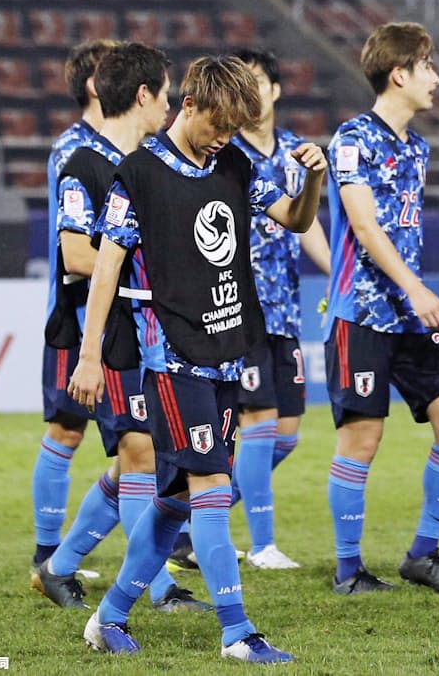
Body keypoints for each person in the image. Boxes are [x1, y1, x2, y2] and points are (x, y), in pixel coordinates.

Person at [68, 55, 327, 663]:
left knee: (177, 499)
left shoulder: (231, 162)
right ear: (188, 105)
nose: (226, 138)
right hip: (172, 354)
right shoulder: (138, 173)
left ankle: (108, 619)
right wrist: (88, 356)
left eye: (236, 128)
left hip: (226, 350)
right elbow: (106, 266)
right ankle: (238, 633)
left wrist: (311, 178)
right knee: (212, 485)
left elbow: (294, 218)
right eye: (219, 124)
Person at [33, 42, 210, 613]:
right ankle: (158, 590)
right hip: (104, 333)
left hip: (144, 332)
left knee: (135, 457)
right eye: (164, 94)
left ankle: (57, 568)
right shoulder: (83, 163)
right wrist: (155, 263)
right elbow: (76, 255)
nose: (170, 106)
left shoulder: (152, 161)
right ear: (143, 95)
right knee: (139, 451)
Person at [324, 22, 439, 595]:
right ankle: (347, 570)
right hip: (361, 313)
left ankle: (422, 554)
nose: (436, 78)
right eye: (429, 67)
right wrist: (416, 287)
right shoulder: (351, 140)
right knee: (362, 441)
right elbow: (363, 227)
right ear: (400, 73)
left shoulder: (415, 147)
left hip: (410, 316)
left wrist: (413, 293)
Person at [230, 47, 331, 569]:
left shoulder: (297, 152)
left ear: (274, 90)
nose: (250, 94)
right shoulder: (225, 154)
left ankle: (187, 512)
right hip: (238, 311)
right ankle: (263, 544)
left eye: (257, 83)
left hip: (285, 309)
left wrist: (337, 273)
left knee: (286, 434)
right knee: (260, 422)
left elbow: (306, 221)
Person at [32, 39, 119, 575]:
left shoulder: (118, 145)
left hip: (114, 318)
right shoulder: (75, 150)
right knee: (68, 429)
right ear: (95, 85)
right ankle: (48, 553)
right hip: (79, 313)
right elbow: (80, 250)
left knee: (132, 442)